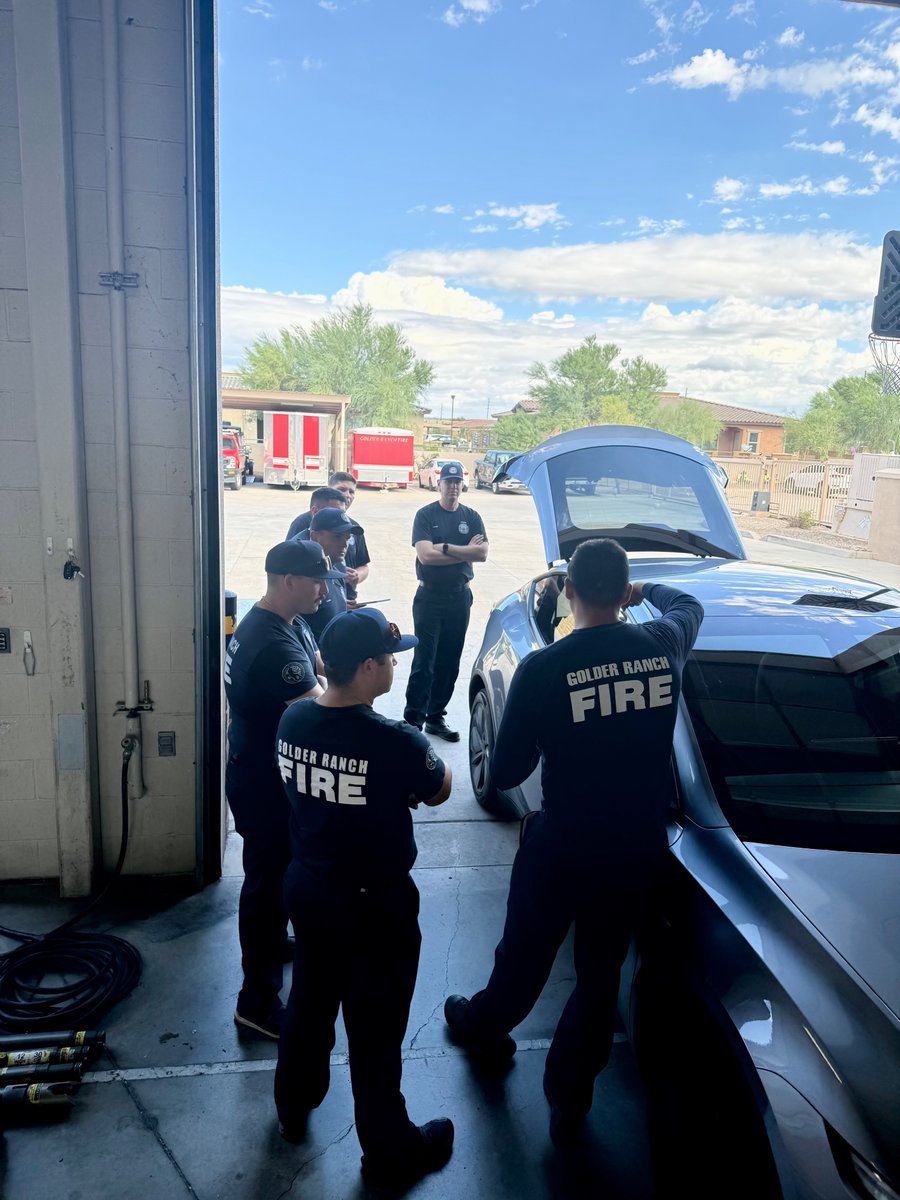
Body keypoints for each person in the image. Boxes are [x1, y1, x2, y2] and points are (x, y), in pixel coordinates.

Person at [443, 538, 703, 1146]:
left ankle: (485, 1027)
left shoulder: (545, 667)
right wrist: (647, 594)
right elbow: (687, 605)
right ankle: (569, 1100)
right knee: (598, 975)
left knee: (526, 955)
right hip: (635, 846)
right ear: (625, 591)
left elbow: (505, 772)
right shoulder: (661, 645)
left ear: (569, 591)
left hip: (562, 845)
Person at [273, 608, 455, 1185]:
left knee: (309, 1001)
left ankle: (293, 1104)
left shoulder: (294, 720)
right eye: (391, 659)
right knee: (375, 1029)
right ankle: (388, 1148)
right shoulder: (394, 739)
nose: (397, 667)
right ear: (370, 666)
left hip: (309, 887)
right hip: (374, 906)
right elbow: (442, 789)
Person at [224, 540, 341, 1039]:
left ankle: (274, 945)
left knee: (274, 881)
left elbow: (316, 670)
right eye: (318, 581)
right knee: (265, 889)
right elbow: (322, 709)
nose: (324, 590)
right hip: (263, 785)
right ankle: (256, 1001)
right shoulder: (271, 643)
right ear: (289, 580)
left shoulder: (283, 623)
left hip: (262, 772)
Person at [404, 461, 488, 740]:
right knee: (424, 660)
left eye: (457, 482)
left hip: (459, 597)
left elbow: (482, 554)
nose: (453, 487)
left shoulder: (472, 516)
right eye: (448, 481)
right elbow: (425, 556)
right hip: (429, 597)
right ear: (438, 484)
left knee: (449, 661)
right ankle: (413, 722)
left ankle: (435, 718)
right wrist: (465, 551)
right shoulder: (426, 515)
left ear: (462, 485)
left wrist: (446, 548)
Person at [287, 473, 371, 602]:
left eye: (351, 491)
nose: (347, 495)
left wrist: (357, 576)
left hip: (344, 598)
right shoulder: (301, 526)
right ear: (314, 536)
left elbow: (363, 565)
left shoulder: (354, 526)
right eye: (342, 490)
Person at [294, 507, 364, 642]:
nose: (344, 544)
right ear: (314, 537)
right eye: (337, 537)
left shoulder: (337, 564)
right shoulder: (304, 577)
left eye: (347, 538)